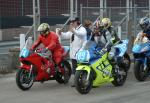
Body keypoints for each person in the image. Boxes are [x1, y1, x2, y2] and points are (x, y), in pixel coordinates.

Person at [58, 17, 87, 87]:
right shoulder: (73, 30)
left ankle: (83, 80)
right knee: (74, 68)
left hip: (80, 53)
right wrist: (60, 33)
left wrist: (73, 30)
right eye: (71, 22)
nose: (71, 23)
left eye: (73, 22)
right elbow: (66, 35)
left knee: (81, 68)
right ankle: (76, 81)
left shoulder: (82, 29)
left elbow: (81, 35)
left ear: (77, 22)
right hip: (73, 53)